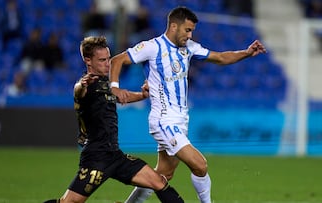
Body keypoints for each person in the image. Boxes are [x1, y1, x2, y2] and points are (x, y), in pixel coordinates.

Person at [109, 6, 267, 203]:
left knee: (163, 175)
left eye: (192, 31)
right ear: (174, 26)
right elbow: (117, 60)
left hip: (180, 119)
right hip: (164, 120)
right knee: (200, 165)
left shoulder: (189, 47)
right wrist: (114, 87)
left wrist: (246, 52)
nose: (190, 35)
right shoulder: (152, 47)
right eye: (187, 30)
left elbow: (219, 57)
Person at [43, 36, 184, 203]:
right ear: (88, 61)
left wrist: (143, 95)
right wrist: (82, 84)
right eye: (102, 60)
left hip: (115, 156)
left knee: (158, 182)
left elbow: (122, 96)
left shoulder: (106, 84)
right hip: (96, 157)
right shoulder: (85, 86)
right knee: (69, 202)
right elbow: (78, 91)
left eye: (108, 58)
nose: (108, 63)